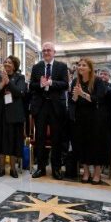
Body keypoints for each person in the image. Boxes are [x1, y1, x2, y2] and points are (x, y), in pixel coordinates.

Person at [29, 42, 69, 180]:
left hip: (56, 108)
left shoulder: (61, 66)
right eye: (44, 50)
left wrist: (51, 83)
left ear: (54, 52)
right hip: (40, 107)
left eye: (49, 50)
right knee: (39, 138)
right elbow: (31, 86)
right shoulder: (36, 67)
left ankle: (56, 169)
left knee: (56, 139)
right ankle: (40, 168)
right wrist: (40, 84)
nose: (46, 52)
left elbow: (65, 84)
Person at [0, 55, 27, 178]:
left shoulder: (20, 77)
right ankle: (1, 168)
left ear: (15, 65)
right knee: (1, 141)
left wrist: (8, 82)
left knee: (14, 141)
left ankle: (13, 168)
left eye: (9, 62)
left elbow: (20, 93)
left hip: (15, 115)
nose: (7, 64)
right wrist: (1, 84)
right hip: (0, 114)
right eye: (5, 62)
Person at [69, 58, 107, 184]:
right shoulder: (75, 81)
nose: (80, 67)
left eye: (84, 65)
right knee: (81, 144)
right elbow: (73, 100)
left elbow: (99, 99)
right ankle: (85, 171)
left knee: (95, 145)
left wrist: (83, 94)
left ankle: (97, 173)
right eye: (79, 65)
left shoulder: (98, 81)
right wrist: (75, 95)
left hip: (95, 117)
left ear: (90, 68)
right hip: (80, 117)